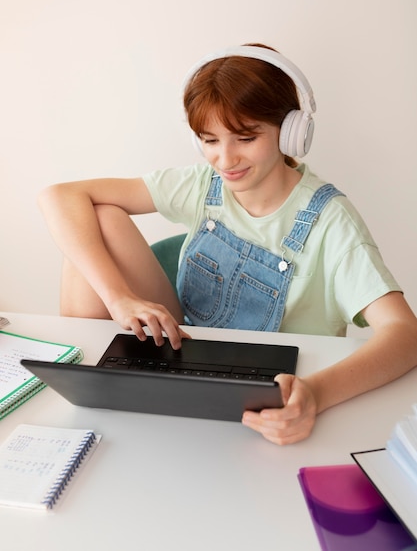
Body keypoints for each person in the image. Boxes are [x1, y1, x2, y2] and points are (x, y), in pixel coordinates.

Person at [38, 43, 417, 445]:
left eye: (245, 137)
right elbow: (58, 196)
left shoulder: (330, 219)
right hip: (184, 358)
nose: (225, 159)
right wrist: (119, 300)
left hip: (268, 399)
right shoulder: (204, 184)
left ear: (291, 132)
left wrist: (317, 394)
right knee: (99, 216)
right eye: (210, 140)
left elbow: (405, 334)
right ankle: (88, 394)